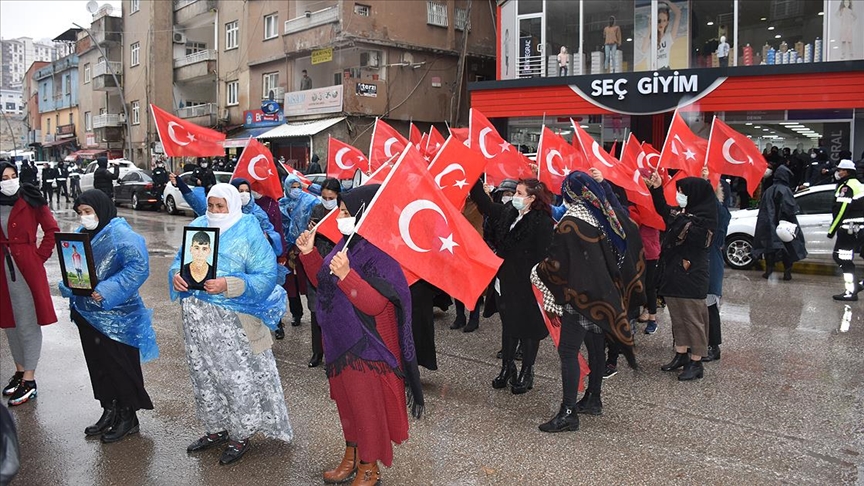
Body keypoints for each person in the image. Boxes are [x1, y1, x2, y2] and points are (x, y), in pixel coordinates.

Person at [296, 184, 423, 486]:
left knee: (366, 411)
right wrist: (309, 254)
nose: (339, 217)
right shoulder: (346, 245)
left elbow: (376, 303)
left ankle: (369, 467)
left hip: (365, 350)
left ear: (365, 214)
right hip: (339, 344)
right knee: (347, 406)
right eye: (340, 211)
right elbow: (323, 284)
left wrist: (347, 275)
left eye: (345, 212)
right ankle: (351, 456)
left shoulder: (380, 254)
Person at [169, 183, 292, 465]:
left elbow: (265, 276)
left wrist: (229, 284)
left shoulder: (249, 230)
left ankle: (241, 434)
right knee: (203, 376)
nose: (214, 211)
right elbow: (179, 261)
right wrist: (176, 274)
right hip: (196, 317)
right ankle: (216, 428)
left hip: (232, 321)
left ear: (232, 205)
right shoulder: (200, 226)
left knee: (235, 377)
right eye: (211, 205)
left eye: (220, 206)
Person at [532, 171, 641, 432]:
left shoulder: (571, 223)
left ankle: (568, 413)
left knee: (568, 351)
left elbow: (558, 263)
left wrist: (537, 271)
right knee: (595, 348)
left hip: (580, 297)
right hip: (601, 295)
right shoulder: (599, 215)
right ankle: (594, 398)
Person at [62, 190, 157, 443]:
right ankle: (109, 409)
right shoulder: (81, 235)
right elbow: (74, 267)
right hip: (87, 313)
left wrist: (106, 290)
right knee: (99, 366)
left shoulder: (121, 234)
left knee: (120, 367)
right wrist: (70, 283)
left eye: (88, 212)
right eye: (80, 213)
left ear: (101, 209)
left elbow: (138, 267)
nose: (84, 218)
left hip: (118, 317)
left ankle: (128, 416)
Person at [470, 178, 554, 395]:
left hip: (528, 283)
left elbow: (544, 255)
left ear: (532, 198)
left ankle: (527, 371)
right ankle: (507, 367)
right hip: (505, 279)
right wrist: (473, 182)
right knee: (508, 325)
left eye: (518, 193)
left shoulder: (542, 221)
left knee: (528, 329)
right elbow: (487, 207)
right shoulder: (509, 212)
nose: (514, 197)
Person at [647, 172, 717, 381]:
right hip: (674, 274)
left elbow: (694, 238)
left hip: (691, 275)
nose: (679, 196)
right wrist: (657, 189)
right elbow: (663, 210)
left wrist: (682, 218)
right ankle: (681, 353)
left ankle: (696, 362)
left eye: (682, 192)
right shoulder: (683, 214)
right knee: (678, 318)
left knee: (693, 319)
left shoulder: (706, 219)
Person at [0, 162, 59, 407]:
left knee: (27, 323)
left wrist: (38, 257)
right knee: (9, 324)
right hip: (2, 270)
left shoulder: (32, 198)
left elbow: (52, 230)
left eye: (13, 176)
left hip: (25, 269)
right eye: (4, 177)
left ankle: (30, 379)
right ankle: (19, 370)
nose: (10, 180)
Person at [305, 178, 340, 368]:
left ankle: (333, 354)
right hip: (316, 263)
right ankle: (317, 352)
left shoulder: (344, 211)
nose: (327, 200)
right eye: (324, 197)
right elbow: (307, 231)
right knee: (315, 311)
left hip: (335, 264)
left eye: (331, 197)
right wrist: (312, 232)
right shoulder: (317, 209)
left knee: (334, 313)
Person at [278, 174, 321, 333]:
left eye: (298, 186)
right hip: (288, 249)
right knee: (291, 284)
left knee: (309, 281)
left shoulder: (309, 201)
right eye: (292, 187)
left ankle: (316, 315)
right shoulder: (281, 204)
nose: (296, 190)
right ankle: (296, 313)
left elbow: (318, 217)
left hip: (305, 246)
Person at [753, 165, 808, 281]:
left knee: (770, 248)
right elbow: (789, 208)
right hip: (784, 224)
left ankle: (769, 271)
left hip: (769, 223)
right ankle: (787, 272)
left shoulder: (769, 190)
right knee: (788, 248)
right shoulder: (785, 190)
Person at [704, 176, 732, 363]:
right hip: (700, 266)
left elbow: (720, 215)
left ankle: (714, 346)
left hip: (710, 265)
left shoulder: (719, 212)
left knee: (710, 306)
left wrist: (708, 184)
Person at [828, 159, 864, 301]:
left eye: (840, 170)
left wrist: (832, 229)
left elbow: (842, 210)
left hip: (849, 229)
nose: (838, 172)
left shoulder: (846, 187)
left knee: (842, 258)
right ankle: (857, 286)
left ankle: (851, 291)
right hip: (859, 228)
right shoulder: (858, 184)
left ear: (847, 171)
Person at [230, 178, 284, 257]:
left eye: (247, 191)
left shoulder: (257, 211)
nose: (244, 194)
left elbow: (270, 231)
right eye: (241, 191)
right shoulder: (226, 210)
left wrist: (267, 237)